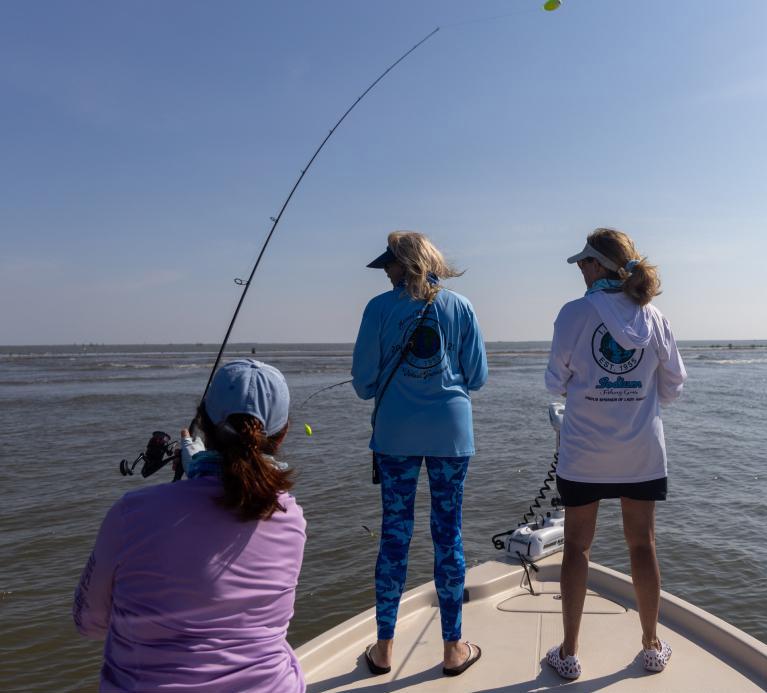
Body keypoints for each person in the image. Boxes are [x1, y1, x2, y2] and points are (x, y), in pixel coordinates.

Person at [73, 360, 306, 692]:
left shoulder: (130, 514)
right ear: (281, 435)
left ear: (203, 422)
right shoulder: (290, 517)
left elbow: (89, 622)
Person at [544, 228, 687, 679]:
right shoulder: (655, 318)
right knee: (642, 545)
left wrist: (592, 391)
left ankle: (568, 653)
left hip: (584, 453)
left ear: (597, 265)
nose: (580, 273)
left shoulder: (573, 315)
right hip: (641, 453)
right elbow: (674, 385)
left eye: (583, 264)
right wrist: (636, 400)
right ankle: (650, 645)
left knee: (576, 549)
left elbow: (554, 382)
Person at [351, 230, 488, 677]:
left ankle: (385, 648)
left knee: (395, 537)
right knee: (448, 536)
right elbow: (477, 376)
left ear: (403, 264)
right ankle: (453, 649)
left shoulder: (377, 309)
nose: (385, 272)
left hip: (395, 437)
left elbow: (363, 384)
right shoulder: (461, 306)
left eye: (388, 264)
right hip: (451, 435)